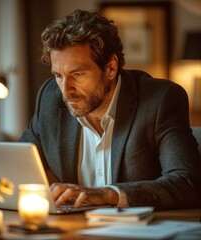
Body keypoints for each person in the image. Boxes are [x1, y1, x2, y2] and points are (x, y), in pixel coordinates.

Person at [19, 9, 201, 210]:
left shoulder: (160, 100)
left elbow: (188, 183)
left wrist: (107, 194)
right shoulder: (49, 98)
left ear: (111, 67)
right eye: (59, 75)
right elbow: (18, 162)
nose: (65, 90)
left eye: (78, 74)